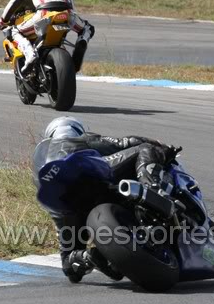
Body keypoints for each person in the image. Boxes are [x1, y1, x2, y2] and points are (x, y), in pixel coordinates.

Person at [32, 116, 180, 283]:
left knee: (69, 260)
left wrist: (83, 257)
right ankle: (155, 192)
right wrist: (160, 145)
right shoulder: (82, 139)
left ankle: (89, 257)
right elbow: (124, 142)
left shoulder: (46, 175)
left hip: (67, 203)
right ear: (76, 129)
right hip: (95, 178)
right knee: (145, 149)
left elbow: (69, 270)